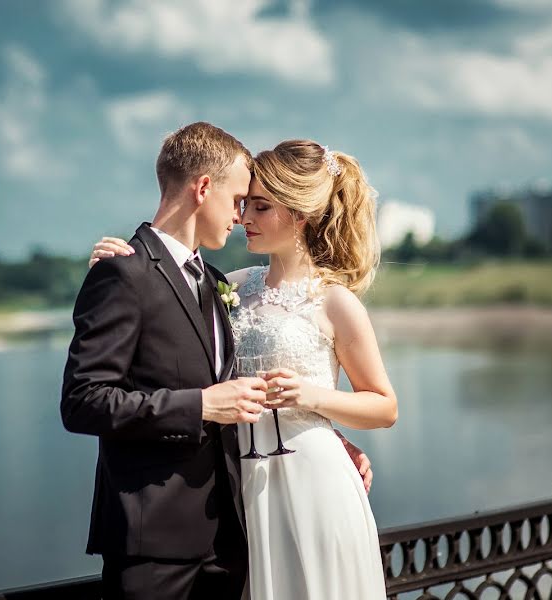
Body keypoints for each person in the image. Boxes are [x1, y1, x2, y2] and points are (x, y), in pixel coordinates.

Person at [62, 123, 372, 600]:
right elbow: (83, 400)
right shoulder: (129, 272)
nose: (241, 215)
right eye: (238, 201)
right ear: (204, 189)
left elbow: (242, 382)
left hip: (233, 530)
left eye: (256, 204)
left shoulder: (214, 282)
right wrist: (201, 405)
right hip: (155, 537)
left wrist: (326, 438)